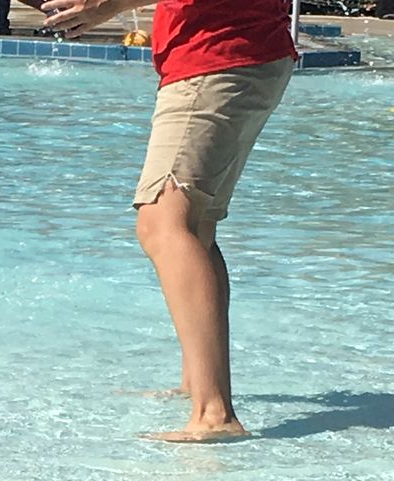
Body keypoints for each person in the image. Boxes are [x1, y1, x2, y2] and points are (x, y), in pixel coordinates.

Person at [41, 0, 298, 442]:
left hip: (217, 56)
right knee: (195, 224)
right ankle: (198, 385)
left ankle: (214, 413)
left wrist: (103, 7)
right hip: (243, 51)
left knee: (162, 221)